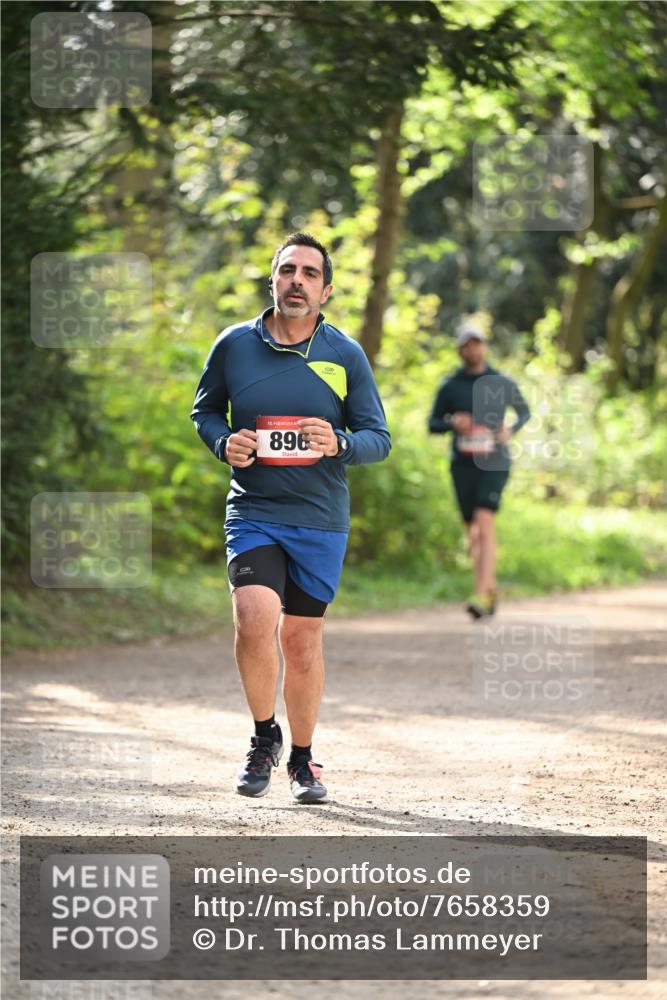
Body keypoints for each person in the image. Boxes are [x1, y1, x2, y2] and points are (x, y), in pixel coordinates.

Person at [191, 232, 391, 803]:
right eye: (287, 270)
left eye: (309, 273)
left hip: (320, 517)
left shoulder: (344, 354)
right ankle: (263, 739)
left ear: (325, 290)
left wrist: (340, 443)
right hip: (253, 509)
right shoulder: (234, 345)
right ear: (273, 280)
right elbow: (204, 411)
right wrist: (222, 441)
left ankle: (304, 760)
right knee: (254, 619)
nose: (296, 281)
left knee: (301, 640)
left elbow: (379, 438)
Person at [428, 321, 530, 620]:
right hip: (462, 465)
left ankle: (480, 593)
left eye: (477, 343)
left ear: (484, 346)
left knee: (485, 523)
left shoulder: (501, 381)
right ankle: (489, 588)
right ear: (460, 349)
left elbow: (525, 412)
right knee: (472, 531)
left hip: (494, 462)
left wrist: (510, 429)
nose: (472, 348)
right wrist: (452, 423)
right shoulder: (450, 385)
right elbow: (433, 424)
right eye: (466, 344)